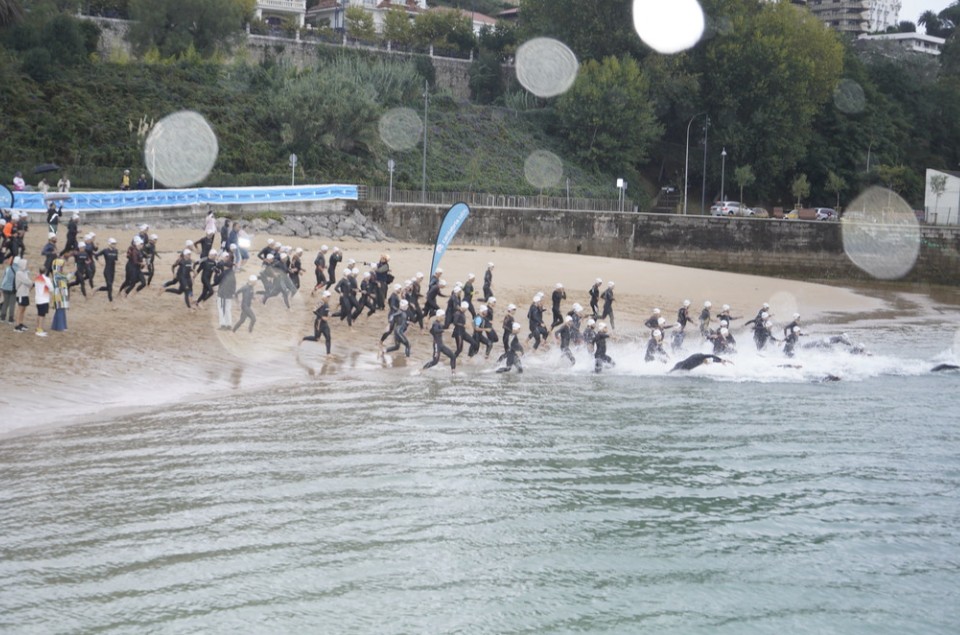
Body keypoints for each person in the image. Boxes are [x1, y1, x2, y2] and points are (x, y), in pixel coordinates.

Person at [214, 251, 236, 330]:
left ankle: (223, 324)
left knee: (221, 308)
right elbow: (234, 284)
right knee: (227, 309)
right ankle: (229, 324)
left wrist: (216, 273)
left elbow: (216, 281)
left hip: (222, 294)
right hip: (229, 294)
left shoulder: (224, 273)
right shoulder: (232, 273)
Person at [95, 238, 120, 302]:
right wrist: (100, 263)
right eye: (113, 244)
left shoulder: (116, 251)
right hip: (107, 270)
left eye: (115, 244)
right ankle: (111, 302)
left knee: (109, 286)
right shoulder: (105, 250)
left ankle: (98, 289)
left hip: (113, 271)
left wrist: (117, 262)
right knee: (110, 286)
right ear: (109, 244)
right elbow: (96, 255)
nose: (114, 245)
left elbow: (116, 259)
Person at [49, 257, 70, 331]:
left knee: (60, 310)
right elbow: (68, 278)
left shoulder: (57, 274)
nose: (62, 268)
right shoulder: (57, 274)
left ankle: (57, 326)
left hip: (61, 294)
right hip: (59, 295)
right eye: (61, 266)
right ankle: (60, 327)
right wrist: (74, 272)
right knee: (60, 310)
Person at [13, 258, 32, 332]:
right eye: (26, 264)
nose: (27, 265)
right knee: (20, 309)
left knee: (24, 309)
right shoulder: (19, 273)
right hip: (21, 293)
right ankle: (17, 325)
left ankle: (21, 323)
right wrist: (32, 283)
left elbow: (28, 281)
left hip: (25, 293)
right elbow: (27, 281)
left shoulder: (24, 272)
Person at [33, 265, 53, 336]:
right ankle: (39, 329)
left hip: (38, 298)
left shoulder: (37, 278)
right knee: (42, 315)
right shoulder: (46, 279)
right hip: (44, 299)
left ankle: (38, 327)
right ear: (46, 271)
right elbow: (51, 288)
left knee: (39, 314)